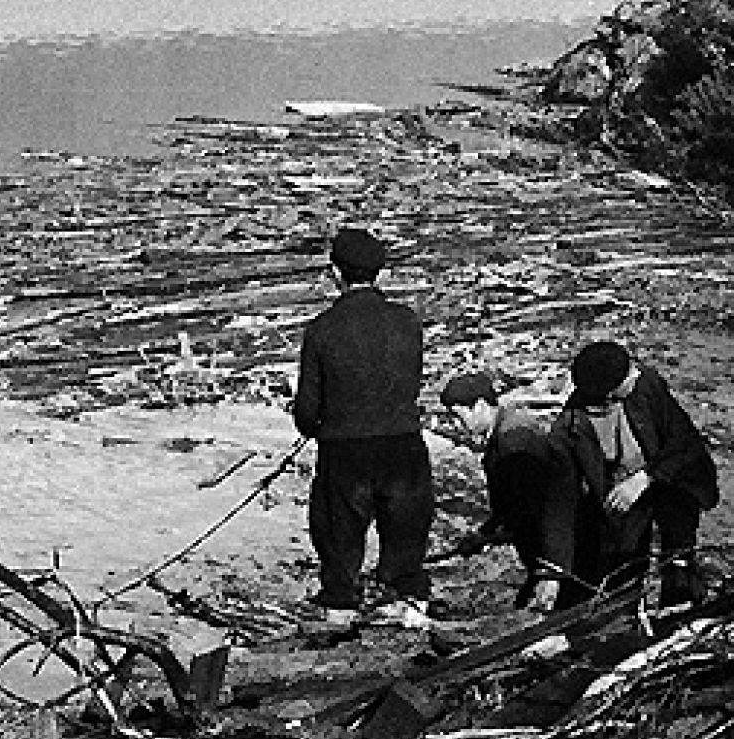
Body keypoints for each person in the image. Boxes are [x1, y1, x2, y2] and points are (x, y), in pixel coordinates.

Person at [293, 227, 432, 626]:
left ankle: (340, 602)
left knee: (339, 534)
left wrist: (314, 426)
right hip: (403, 443)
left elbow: (307, 409)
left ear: (335, 273)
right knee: (405, 527)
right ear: (381, 273)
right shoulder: (408, 322)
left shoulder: (322, 329)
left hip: (345, 450)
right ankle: (406, 599)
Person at [547, 340, 719, 609]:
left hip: (671, 483)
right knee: (622, 573)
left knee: (679, 559)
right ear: (608, 393)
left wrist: (645, 478)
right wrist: (553, 571)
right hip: (621, 503)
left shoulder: (647, 386)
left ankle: (683, 606)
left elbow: (684, 442)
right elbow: (560, 503)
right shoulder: (567, 432)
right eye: (628, 374)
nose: (636, 373)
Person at [441, 372, 581, 612]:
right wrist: (484, 534)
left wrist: (553, 572)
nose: (455, 425)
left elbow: (551, 506)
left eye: (458, 415)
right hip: (548, 553)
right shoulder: (504, 435)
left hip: (560, 555)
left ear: (481, 405)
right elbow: (514, 504)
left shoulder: (516, 442)